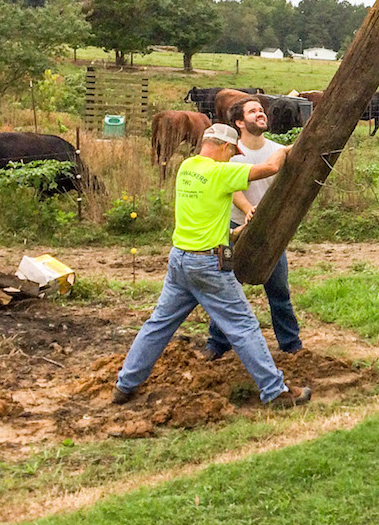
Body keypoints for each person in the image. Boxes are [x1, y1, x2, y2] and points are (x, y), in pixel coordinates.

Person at [112, 123, 311, 408]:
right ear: (224, 147)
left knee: (158, 325)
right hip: (207, 263)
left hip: (180, 259)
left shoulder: (186, 168)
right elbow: (269, 168)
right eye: (232, 154)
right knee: (243, 327)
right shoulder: (220, 172)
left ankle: (125, 385)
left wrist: (231, 233)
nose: (232, 159)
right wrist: (287, 149)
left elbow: (203, 212)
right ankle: (274, 391)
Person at [201, 97, 302, 360]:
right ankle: (217, 344)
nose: (260, 113)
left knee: (279, 289)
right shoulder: (230, 155)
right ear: (239, 122)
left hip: (270, 230)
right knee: (228, 289)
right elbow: (230, 189)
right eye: (252, 111)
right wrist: (248, 211)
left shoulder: (279, 149)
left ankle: (291, 344)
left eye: (261, 110)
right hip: (236, 227)